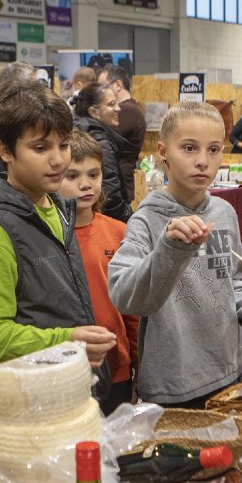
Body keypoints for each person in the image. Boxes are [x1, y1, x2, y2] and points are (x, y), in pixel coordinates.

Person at [109, 101, 242, 409]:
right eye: (189, 148)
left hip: (226, 373)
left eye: (213, 149)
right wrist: (169, 249)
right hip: (170, 386)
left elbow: (232, 282)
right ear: (163, 151)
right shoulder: (146, 220)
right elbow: (124, 294)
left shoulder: (224, 212)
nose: (203, 161)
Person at [0, 78, 117, 409]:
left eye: (63, 144)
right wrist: (68, 340)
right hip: (24, 403)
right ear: (4, 150)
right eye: (41, 148)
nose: (59, 160)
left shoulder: (56, 206)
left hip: (66, 388)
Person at [58, 131, 138, 414]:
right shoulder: (48, 238)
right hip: (68, 365)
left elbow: (132, 306)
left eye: (93, 175)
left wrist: (138, 363)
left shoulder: (119, 232)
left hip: (117, 363)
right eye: (72, 176)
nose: (85, 185)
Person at [73, 81, 133, 222]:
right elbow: (110, 195)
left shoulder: (86, 132)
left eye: (117, 103)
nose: (118, 109)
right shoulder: (100, 141)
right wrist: (131, 219)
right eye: (111, 104)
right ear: (94, 112)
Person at [99, 65, 145, 204]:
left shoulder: (127, 110)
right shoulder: (131, 109)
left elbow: (99, 138)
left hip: (116, 190)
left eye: (103, 87)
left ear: (118, 85)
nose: (100, 93)